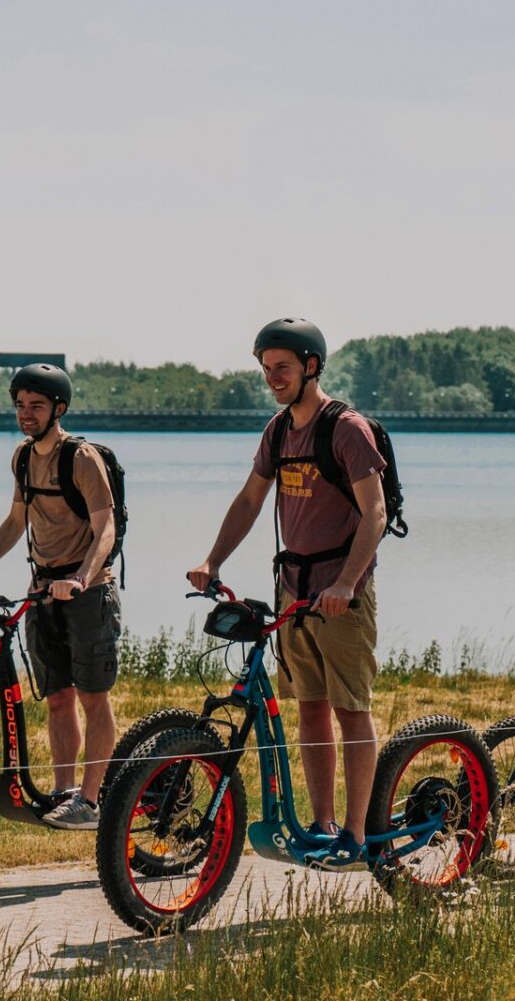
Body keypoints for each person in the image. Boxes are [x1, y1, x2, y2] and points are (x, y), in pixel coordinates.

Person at [188, 318, 389, 869]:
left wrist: (346, 583)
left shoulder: (345, 429)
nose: (272, 377)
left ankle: (355, 836)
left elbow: (375, 513)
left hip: (342, 593)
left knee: (351, 710)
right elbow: (250, 500)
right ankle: (322, 825)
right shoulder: (278, 432)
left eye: (282, 367)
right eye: (265, 368)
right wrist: (212, 560)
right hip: (293, 590)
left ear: (312, 366)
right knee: (310, 708)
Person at [0, 363, 121, 828]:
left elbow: (106, 527)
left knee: (92, 698)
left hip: (88, 591)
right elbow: (16, 521)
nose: (26, 414)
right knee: (58, 697)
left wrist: (83, 577)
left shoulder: (81, 458)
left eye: (36, 406)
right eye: (20, 405)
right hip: (43, 591)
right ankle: (64, 793)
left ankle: (89, 801)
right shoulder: (23, 457)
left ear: (58, 409)